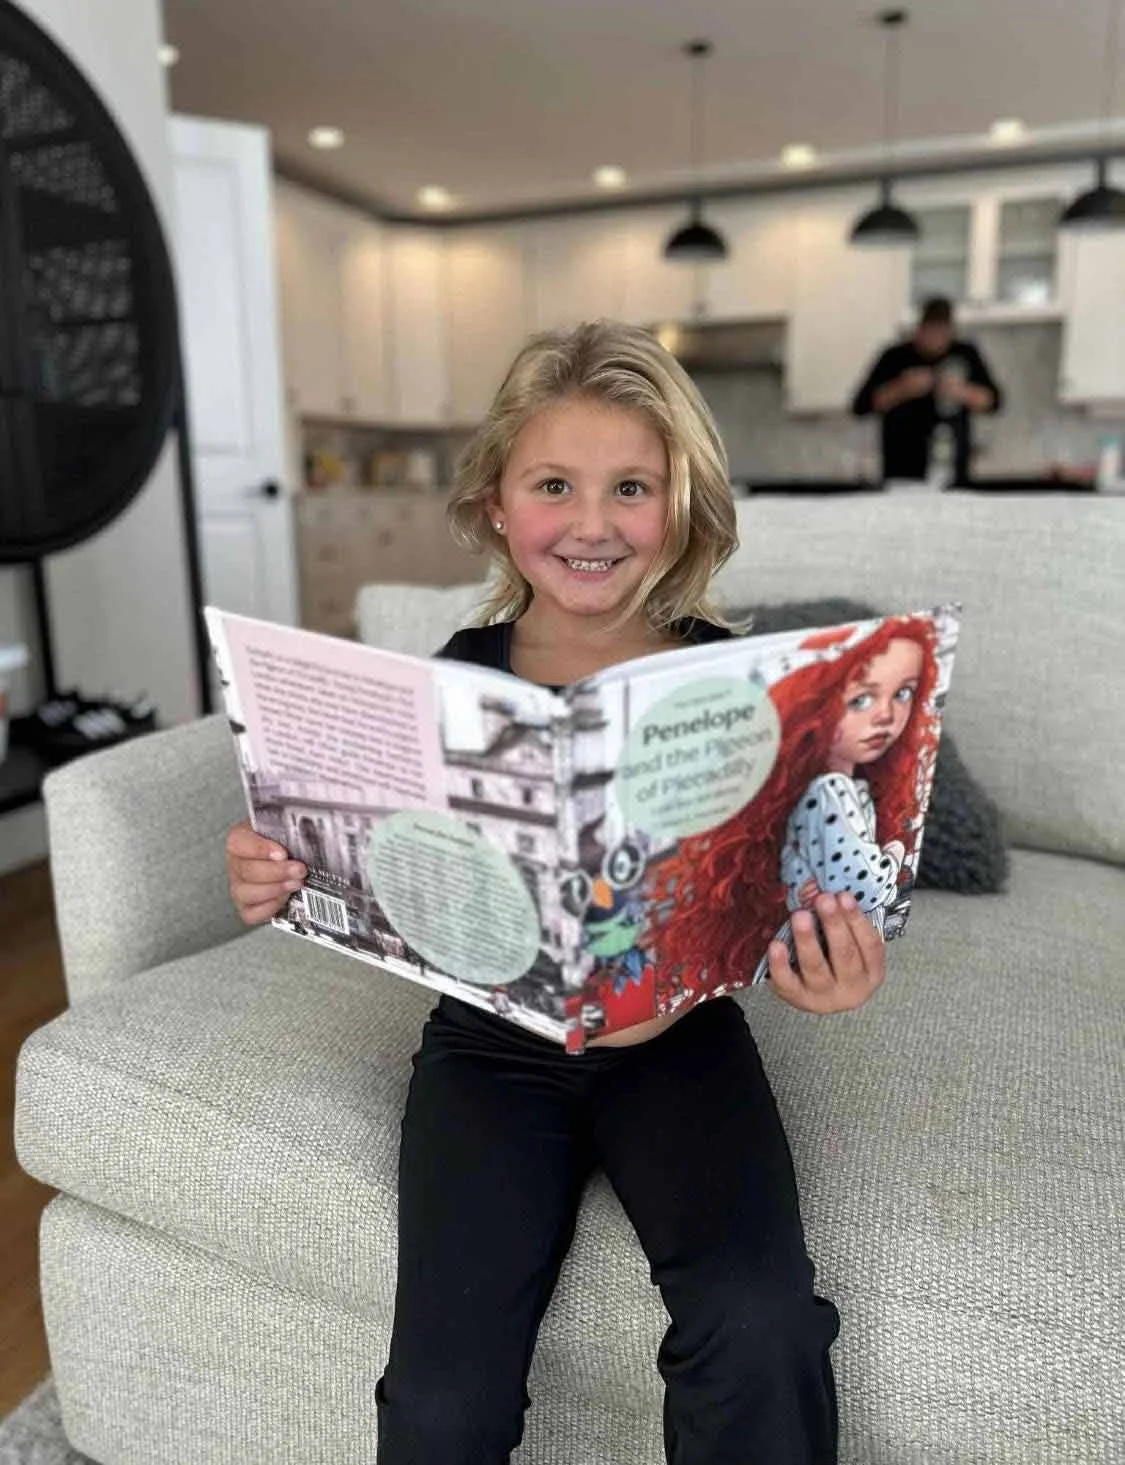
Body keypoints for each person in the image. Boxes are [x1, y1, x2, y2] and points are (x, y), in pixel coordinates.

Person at [224, 320, 890, 1464]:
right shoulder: (453, 674)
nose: (592, 522)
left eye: (631, 485)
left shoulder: (736, 686)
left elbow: (785, 889)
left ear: (678, 505)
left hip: (679, 1041)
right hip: (492, 1050)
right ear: (495, 503)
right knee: (441, 1396)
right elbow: (378, 855)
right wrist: (278, 871)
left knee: (763, 1318)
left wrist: (830, 963)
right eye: (554, 484)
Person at [646, 618, 941, 993]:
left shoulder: (845, 789)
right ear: (816, 712)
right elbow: (864, 887)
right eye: (861, 700)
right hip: (810, 943)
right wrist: (895, 852)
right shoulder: (829, 790)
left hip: (821, 946)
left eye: (903, 694)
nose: (885, 715)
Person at [852, 296, 1003, 484]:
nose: (934, 339)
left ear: (951, 332)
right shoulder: (894, 356)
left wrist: (961, 391)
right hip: (901, 468)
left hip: (953, 470)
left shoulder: (965, 354)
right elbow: (860, 406)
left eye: (941, 333)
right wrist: (901, 389)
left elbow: (994, 403)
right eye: (929, 332)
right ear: (919, 329)